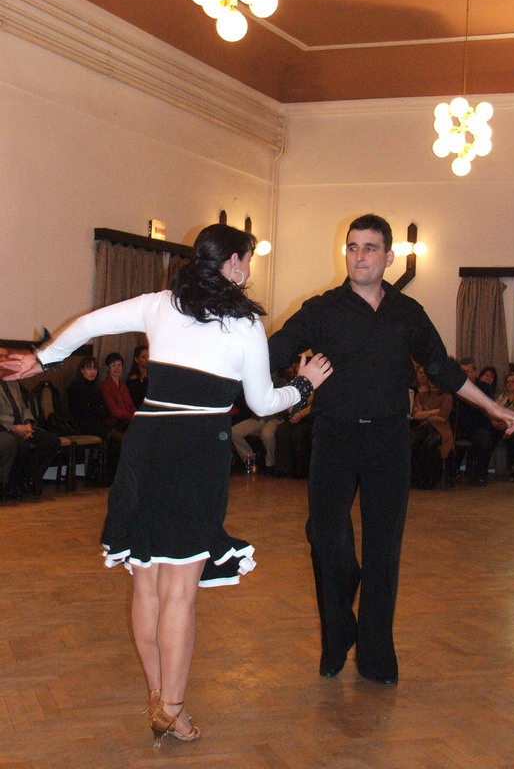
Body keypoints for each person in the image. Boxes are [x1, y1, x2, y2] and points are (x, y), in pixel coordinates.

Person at [1, 224, 332, 746]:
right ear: (230, 262)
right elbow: (263, 402)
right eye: (245, 260)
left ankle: (159, 698)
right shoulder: (244, 324)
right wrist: (304, 384)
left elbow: (88, 323)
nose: (248, 270)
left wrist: (40, 358)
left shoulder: (160, 304)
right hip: (196, 451)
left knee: (147, 582)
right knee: (179, 591)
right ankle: (172, 710)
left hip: (147, 444)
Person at [268, 213, 514, 686]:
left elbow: (442, 369)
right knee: (325, 536)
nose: (359, 256)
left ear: (388, 257)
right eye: (352, 247)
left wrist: (492, 407)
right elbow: (270, 351)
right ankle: (338, 632)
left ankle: (376, 656)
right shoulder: (321, 310)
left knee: (384, 548)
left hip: (388, 439)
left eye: (369, 248)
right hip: (335, 436)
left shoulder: (408, 313)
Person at [0, 346, 60, 499]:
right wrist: (13, 427)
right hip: (5, 428)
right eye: (0, 356)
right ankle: (10, 485)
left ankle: (28, 478)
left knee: (51, 441)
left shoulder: (12, 380)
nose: (4, 360)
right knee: (20, 444)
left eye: (6, 356)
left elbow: (23, 406)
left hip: (22, 426)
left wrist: (28, 423)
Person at [410, 371, 453, 489]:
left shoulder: (446, 396)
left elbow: (442, 417)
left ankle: (430, 480)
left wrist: (424, 414)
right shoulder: (421, 395)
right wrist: (433, 412)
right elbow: (415, 415)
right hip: (423, 428)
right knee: (409, 442)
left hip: (441, 429)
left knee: (429, 443)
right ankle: (416, 478)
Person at [100, 353, 137, 432]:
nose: (116, 368)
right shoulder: (105, 386)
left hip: (127, 420)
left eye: (119, 365)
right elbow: (114, 412)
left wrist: (137, 415)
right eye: (113, 365)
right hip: (114, 423)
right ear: (107, 367)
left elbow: (131, 405)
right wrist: (131, 417)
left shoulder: (123, 386)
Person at [127, 345, 150, 409]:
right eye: (143, 357)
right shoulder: (133, 379)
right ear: (136, 359)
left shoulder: (153, 376)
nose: (147, 359)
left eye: (148, 357)